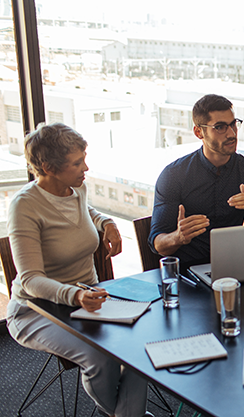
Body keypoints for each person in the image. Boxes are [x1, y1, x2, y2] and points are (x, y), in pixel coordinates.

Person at [5, 123, 149, 417]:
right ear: (48, 167)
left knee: (143, 343)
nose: (86, 167)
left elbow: (84, 211)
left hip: (90, 301)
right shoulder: (24, 206)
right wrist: (75, 296)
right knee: (100, 357)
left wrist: (106, 222)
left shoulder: (76, 188)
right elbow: (30, 280)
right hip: (37, 310)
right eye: (77, 162)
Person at [149, 94, 244, 266]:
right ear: (199, 132)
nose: (232, 133)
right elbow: (158, 244)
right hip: (188, 275)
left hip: (234, 269)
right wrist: (178, 237)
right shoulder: (174, 175)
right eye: (220, 127)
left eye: (233, 124)